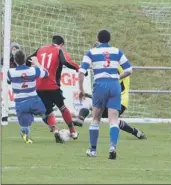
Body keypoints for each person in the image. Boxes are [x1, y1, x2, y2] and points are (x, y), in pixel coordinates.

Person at [78, 30, 133, 159]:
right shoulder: (117, 51)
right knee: (113, 119)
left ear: (97, 39)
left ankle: (93, 150)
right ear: (109, 39)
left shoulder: (91, 52)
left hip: (100, 84)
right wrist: (118, 77)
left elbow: (81, 72)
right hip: (114, 85)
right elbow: (129, 70)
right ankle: (112, 146)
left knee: (96, 118)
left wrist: (81, 89)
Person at [26, 35, 79, 143]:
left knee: (49, 112)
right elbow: (66, 62)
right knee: (63, 107)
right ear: (62, 44)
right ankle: (72, 131)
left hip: (39, 86)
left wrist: (31, 68)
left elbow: (28, 60)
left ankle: (55, 131)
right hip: (53, 85)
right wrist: (79, 68)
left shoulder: (40, 49)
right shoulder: (59, 50)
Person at [73, 65, 146, 140]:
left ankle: (81, 119)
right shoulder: (116, 71)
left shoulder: (113, 71)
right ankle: (136, 132)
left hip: (116, 102)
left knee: (90, 106)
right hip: (121, 103)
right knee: (114, 121)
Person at [7, 50, 48, 143]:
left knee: (25, 124)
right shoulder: (33, 70)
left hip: (20, 103)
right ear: (25, 59)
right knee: (44, 113)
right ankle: (43, 117)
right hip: (34, 101)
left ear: (15, 60)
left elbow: (8, 81)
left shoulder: (10, 72)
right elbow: (46, 73)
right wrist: (37, 63)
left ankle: (25, 132)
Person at [1, 42, 21, 125]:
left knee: (18, 97)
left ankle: (17, 113)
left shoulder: (19, 58)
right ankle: (4, 114)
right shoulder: (4, 58)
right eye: (13, 49)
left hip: (15, 81)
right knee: (4, 97)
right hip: (4, 81)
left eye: (16, 49)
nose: (14, 51)